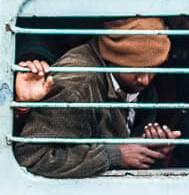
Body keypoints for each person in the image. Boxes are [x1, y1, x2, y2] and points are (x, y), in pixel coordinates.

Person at [15, 17, 179, 178]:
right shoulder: (79, 84)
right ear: (114, 56)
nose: (144, 80)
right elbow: (34, 157)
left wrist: (150, 150)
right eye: (134, 68)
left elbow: (128, 151)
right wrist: (114, 155)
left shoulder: (139, 86)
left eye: (153, 67)